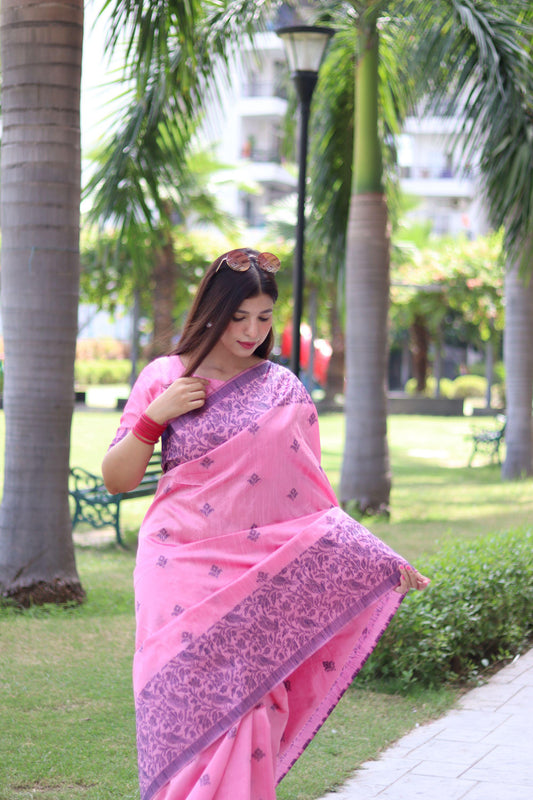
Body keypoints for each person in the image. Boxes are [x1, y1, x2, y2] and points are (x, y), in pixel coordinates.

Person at [102, 247, 429, 800]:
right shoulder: (165, 376)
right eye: (239, 318)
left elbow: (309, 498)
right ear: (212, 310)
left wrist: (373, 557)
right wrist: (155, 418)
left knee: (248, 706)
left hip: (257, 574)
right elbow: (117, 478)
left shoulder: (282, 389)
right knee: (181, 702)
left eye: (265, 318)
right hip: (175, 566)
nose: (252, 331)